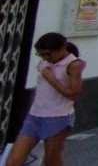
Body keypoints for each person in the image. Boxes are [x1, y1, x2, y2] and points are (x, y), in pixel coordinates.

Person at [5, 33, 85, 166]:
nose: (45, 58)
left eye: (48, 54)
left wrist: (50, 78)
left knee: (51, 160)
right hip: (35, 115)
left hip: (58, 117)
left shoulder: (74, 65)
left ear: (62, 48)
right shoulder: (44, 63)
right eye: (41, 54)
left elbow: (74, 95)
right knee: (14, 160)